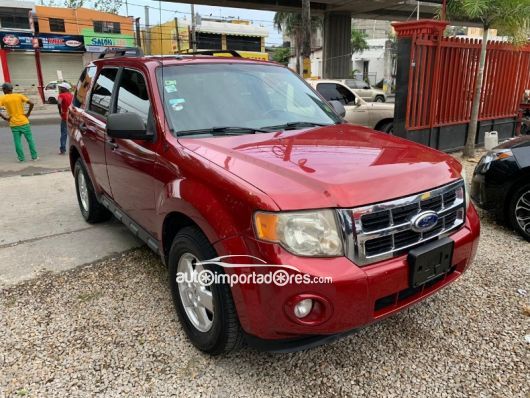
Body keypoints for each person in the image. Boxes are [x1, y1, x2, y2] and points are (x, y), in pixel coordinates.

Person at [0, 82, 38, 162]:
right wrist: (28, 114)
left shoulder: (3, 98)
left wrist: (4, 117)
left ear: (5, 90)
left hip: (13, 123)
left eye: (3, 89)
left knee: (17, 142)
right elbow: (31, 103)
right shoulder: (19, 96)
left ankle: (21, 158)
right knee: (30, 140)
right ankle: (34, 157)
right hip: (24, 121)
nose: (3, 90)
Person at [57, 82, 73, 155]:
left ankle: (62, 149)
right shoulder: (71, 95)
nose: (59, 89)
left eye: (60, 88)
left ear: (64, 89)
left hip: (65, 115)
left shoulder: (61, 95)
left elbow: (59, 103)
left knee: (64, 133)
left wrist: (60, 112)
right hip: (72, 115)